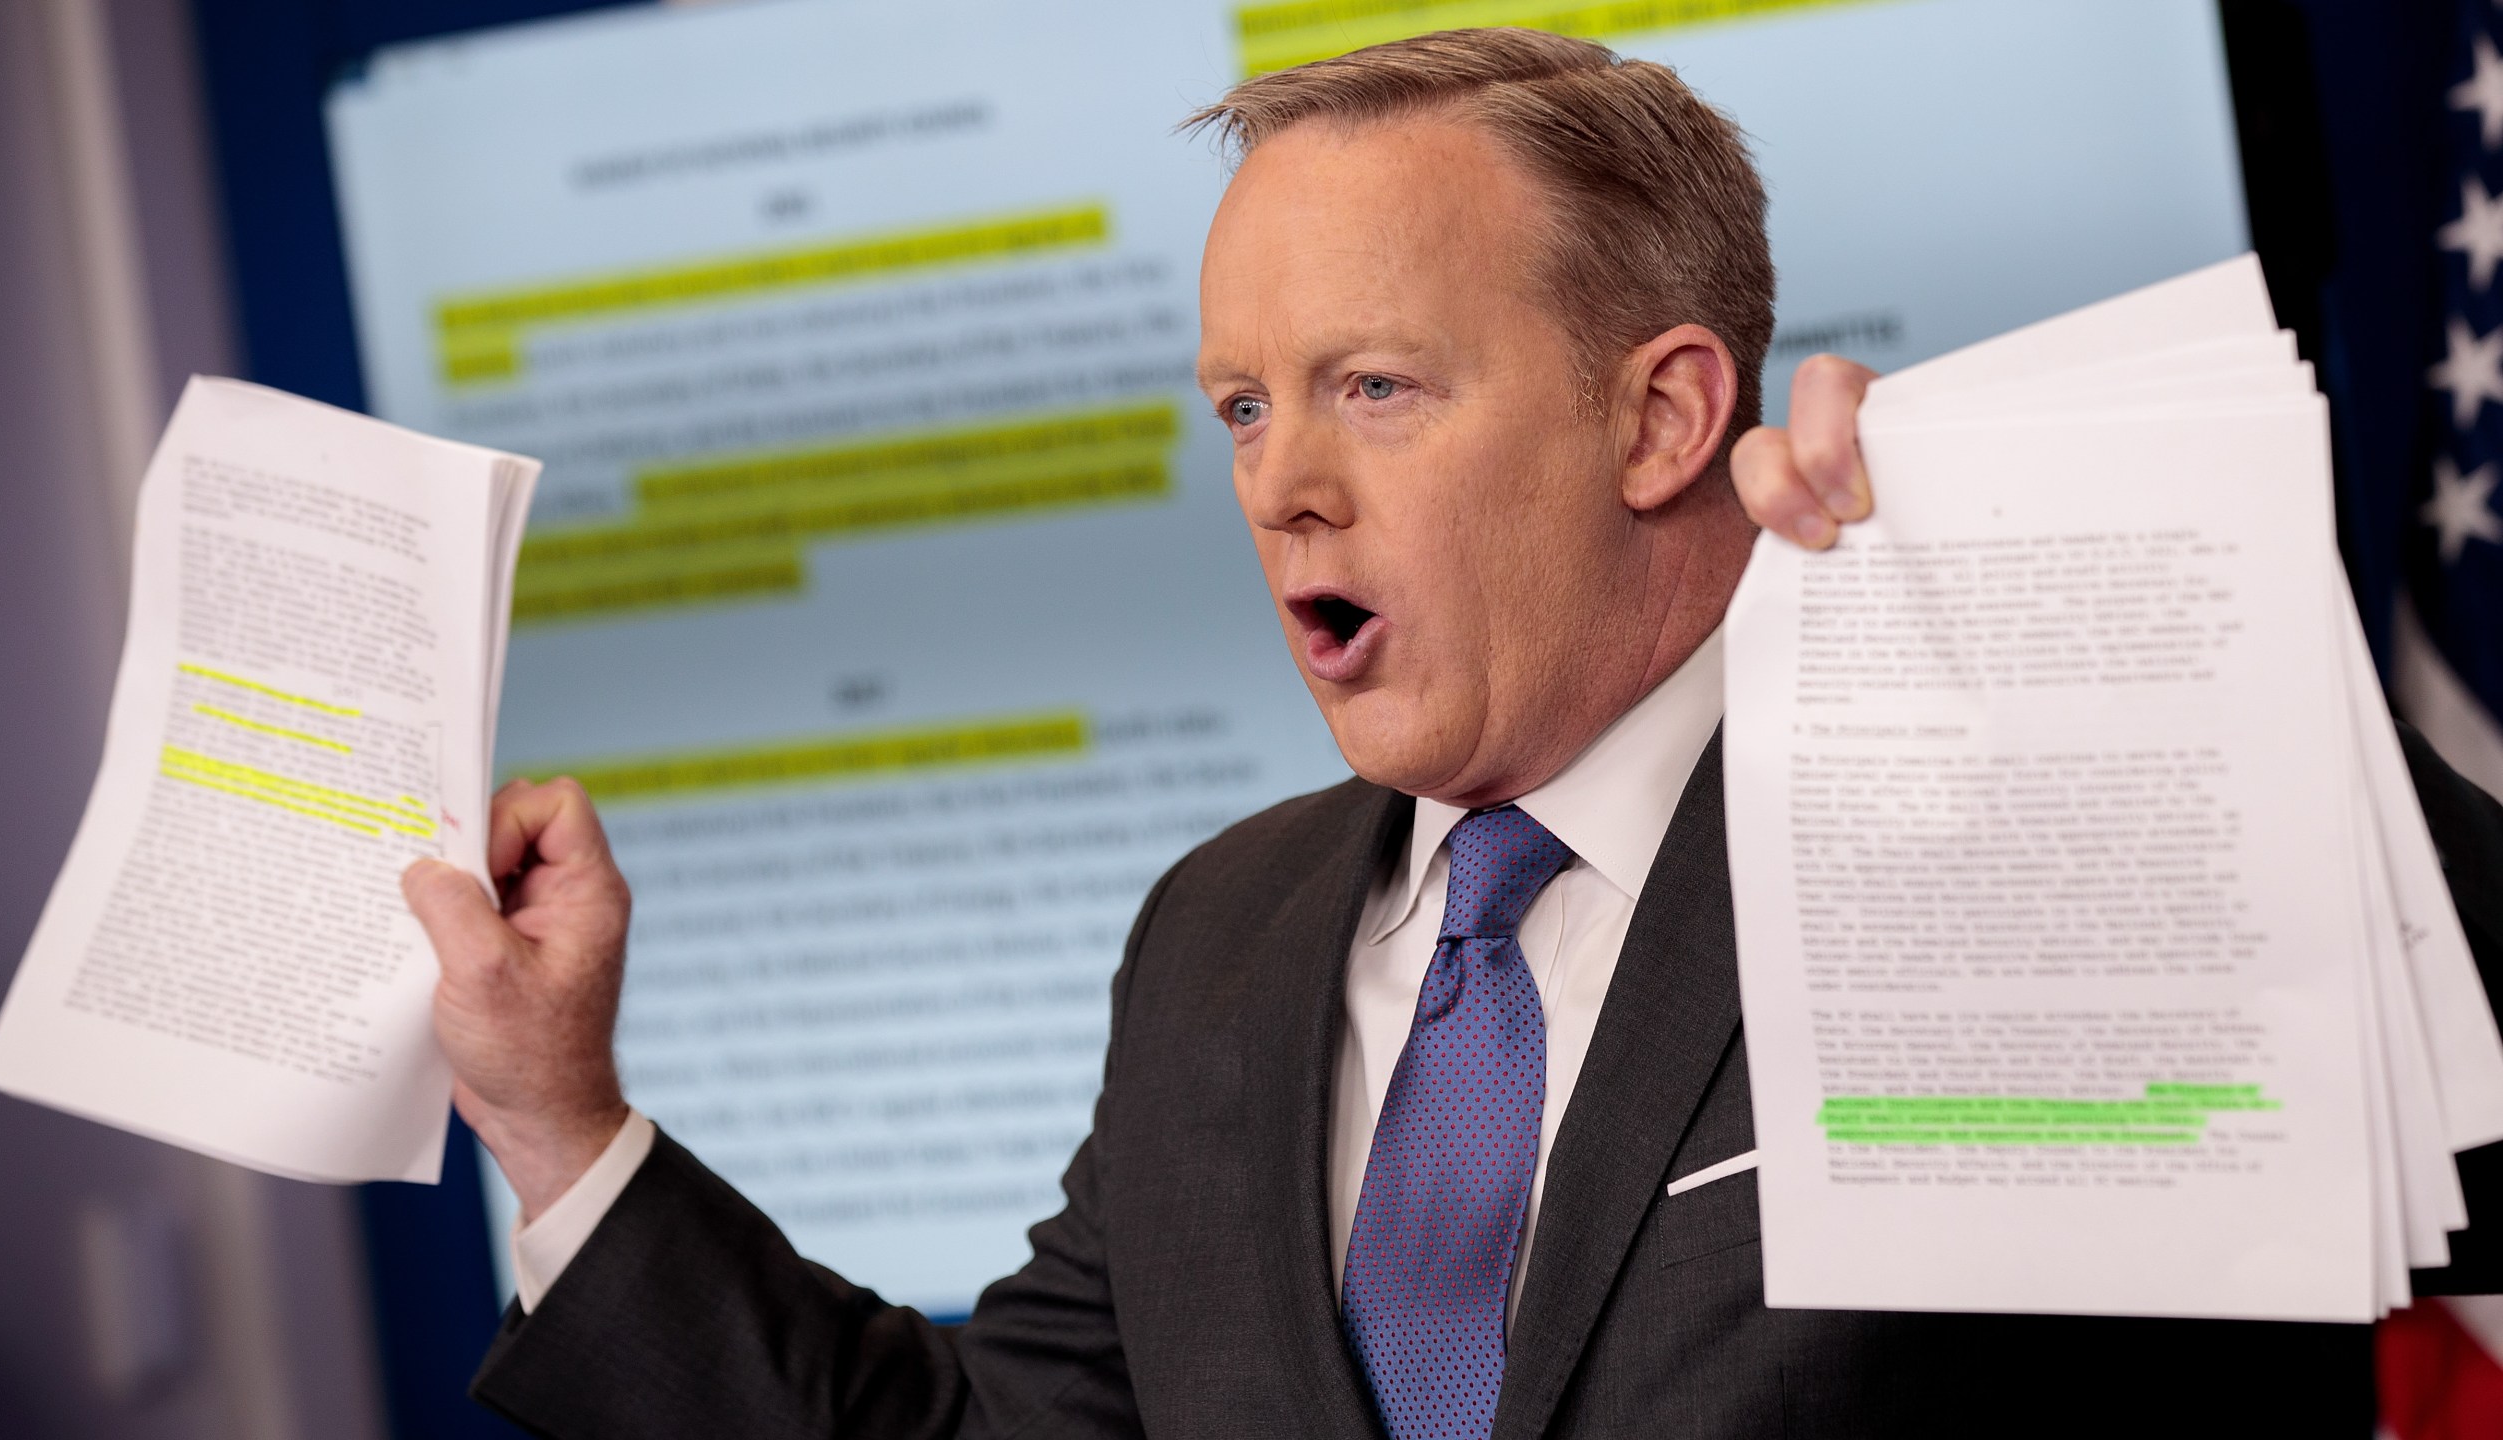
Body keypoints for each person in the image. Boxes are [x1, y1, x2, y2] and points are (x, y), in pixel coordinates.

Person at [402, 27, 2503, 1439]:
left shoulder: (1986, 805)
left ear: (1662, 413)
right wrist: (555, 1122)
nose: (1277, 483)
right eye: (1240, 405)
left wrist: (2122, 674)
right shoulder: (1214, 938)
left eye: (1375, 387)